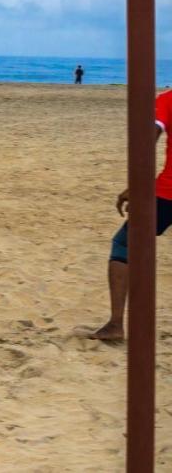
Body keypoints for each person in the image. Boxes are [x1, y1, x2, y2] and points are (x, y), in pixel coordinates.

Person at [89, 89, 172, 341]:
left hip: (168, 193)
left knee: (123, 245)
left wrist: (137, 184)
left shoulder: (168, 99)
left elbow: (148, 139)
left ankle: (116, 324)